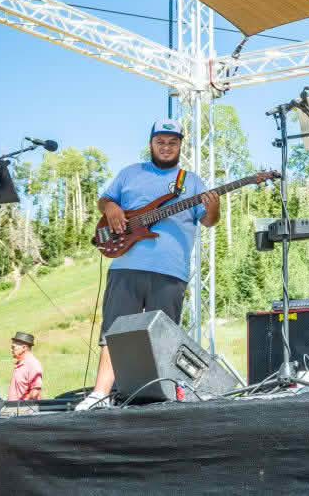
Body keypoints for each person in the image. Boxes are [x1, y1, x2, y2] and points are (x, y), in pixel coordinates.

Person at [76, 118, 219, 411]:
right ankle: (100, 394)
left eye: (172, 142)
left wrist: (214, 206)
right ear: (151, 144)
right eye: (160, 142)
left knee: (163, 337)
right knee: (114, 331)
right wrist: (111, 207)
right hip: (126, 265)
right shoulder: (130, 173)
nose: (166, 147)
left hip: (171, 271)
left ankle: (158, 398)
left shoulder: (191, 181)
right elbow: (105, 201)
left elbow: (209, 220)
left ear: (180, 145)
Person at [7, 332, 43, 401]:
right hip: (14, 406)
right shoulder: (20, 363)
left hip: (24, 407)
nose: (11, 350)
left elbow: (35, 391)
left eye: (13, 347)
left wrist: (22, 405)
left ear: (24, 347)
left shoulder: (32, 364)